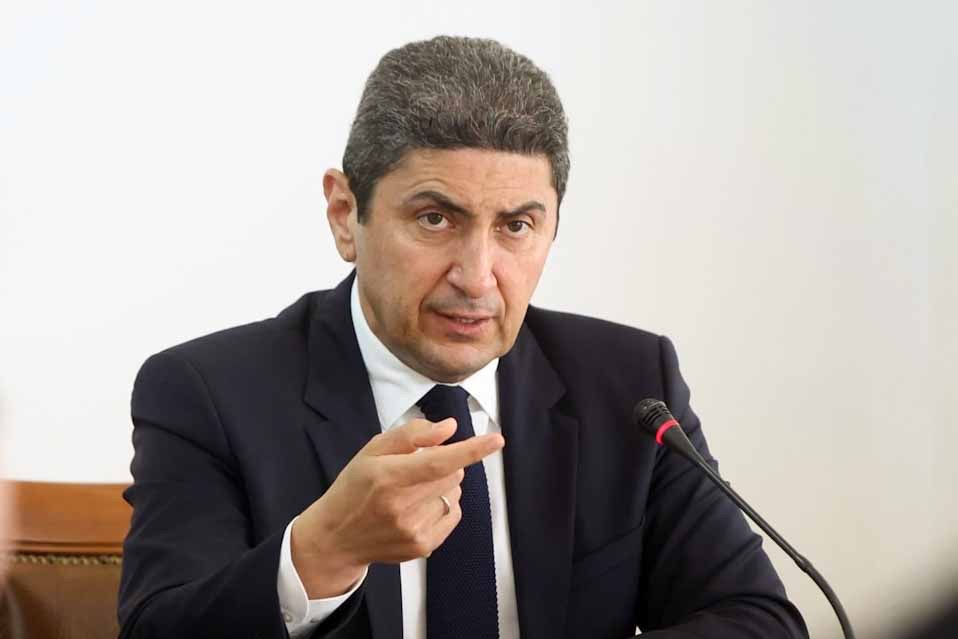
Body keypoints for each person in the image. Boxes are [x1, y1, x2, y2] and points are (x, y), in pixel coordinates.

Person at [117, 36, 808, 638]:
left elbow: (756, 619)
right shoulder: (208, 394)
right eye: (435, 219)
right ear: (345, 214)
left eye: (516, 226)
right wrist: (322, 551)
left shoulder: (630, 386)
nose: (477, 278)